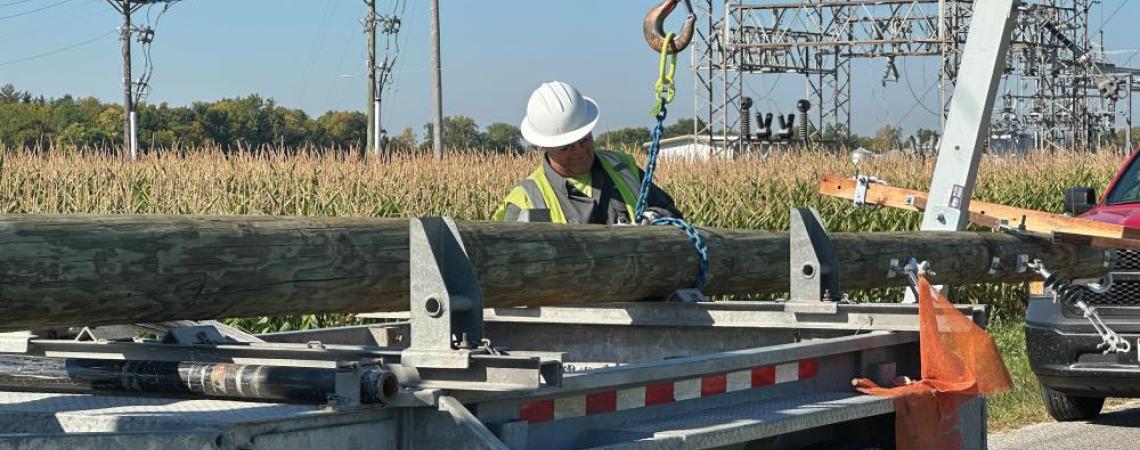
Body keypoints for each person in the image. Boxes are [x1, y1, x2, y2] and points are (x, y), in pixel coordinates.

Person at [492, 81, 682, 225]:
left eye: (583, 140)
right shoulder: (526, 199)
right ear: (545, 147)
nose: (579, 150)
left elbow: (671, 214)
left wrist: (655, 216)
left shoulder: (623, 168)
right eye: (566, 147)